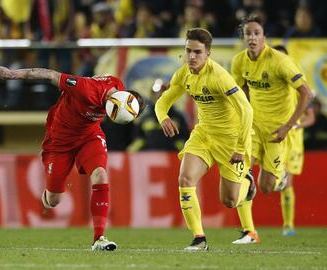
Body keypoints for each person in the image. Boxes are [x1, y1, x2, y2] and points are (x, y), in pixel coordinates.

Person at [0, 66, 144, 251]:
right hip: (59, 141)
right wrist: (12, 74)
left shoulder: (118, 87)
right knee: (54, 200)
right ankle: (48, 193)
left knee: (100, 175)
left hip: (90, 136)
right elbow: (50, 75)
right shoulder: (85, 88)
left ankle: (99, 238)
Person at [155, 28, 255, 251]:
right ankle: (199, 239)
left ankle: (247, 184)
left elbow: (246, 110)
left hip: (230, 140)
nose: (191, 56)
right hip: (203, 134)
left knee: (229, 201)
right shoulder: (183, 74)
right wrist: (163, 117)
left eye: (197, 52)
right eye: (188, 51)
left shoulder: (219, 77)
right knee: (185, 179)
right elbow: (163, 101)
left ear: (208, 54)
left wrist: (241, 146)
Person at [231, 15, 312, 242]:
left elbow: (307, 93)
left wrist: (288, 126)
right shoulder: (239, 62)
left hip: (277, 133)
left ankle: (281, 177)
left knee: (266, 187)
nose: (253, 38)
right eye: (249, 34)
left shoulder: (280, 61)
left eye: (257, 33)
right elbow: (234, 94)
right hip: (253, 128)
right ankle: (250, 232)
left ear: (264, 37)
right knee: (242, 174)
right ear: (244, 37)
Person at [273, 45, 316, 236]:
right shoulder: (268, 85)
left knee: (287, 182)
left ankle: (288, 225)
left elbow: (311, 116)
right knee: (274, 180)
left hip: (293, 139)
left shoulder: (299, 85)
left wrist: (298, 125)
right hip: (272, 134)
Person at [127, 79, 190, 152]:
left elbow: (185, 140)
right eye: (156, 94)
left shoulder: (178, 118)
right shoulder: (145, 118)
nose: (159, 96)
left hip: (172, 159)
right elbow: (137, 140)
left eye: (162, 93)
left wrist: (176, 147)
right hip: (149, 159)